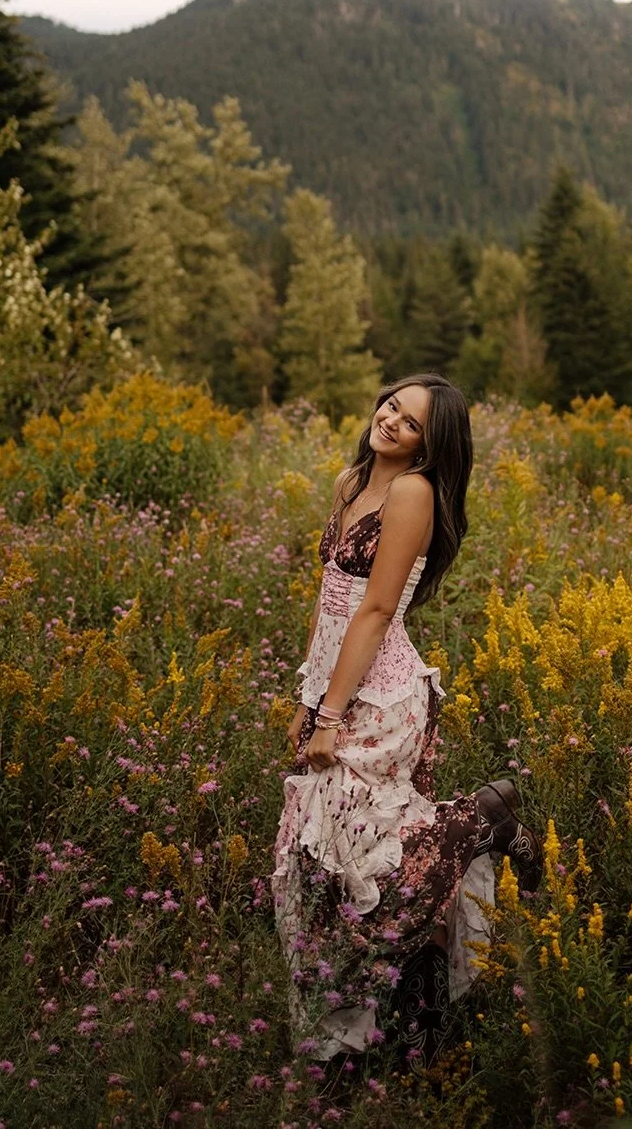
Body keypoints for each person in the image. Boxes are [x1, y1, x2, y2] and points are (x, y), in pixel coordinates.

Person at [271, 374, 543, 1066]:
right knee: (329, 859)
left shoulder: (412, 493)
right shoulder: (348, 480)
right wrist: (307, 698)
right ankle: (397, 1030)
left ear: (430, 444)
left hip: (383, 698)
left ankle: (482, 820)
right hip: (333, 687)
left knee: (368, 859)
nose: (390, 420)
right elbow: (328, 598)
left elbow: (374, 610)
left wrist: (331, 715)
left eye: (412, 422)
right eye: (392, 404)